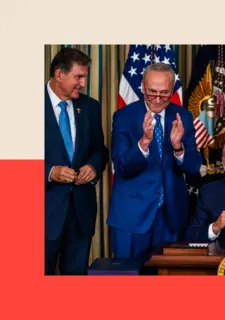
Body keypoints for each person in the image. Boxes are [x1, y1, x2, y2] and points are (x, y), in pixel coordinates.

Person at [107, 63, 202, 259]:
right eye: (151, 92)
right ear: (142, 86)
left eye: (164, 93)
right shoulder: (123, 116)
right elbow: (122, 166)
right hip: (132, 216)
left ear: (173, 89)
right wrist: (144, 143)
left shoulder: (183, 116)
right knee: (129, 279)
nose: (157, 99)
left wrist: (178, 147)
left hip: (171, 216)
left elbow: (193, 167)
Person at [45, 47, 109, 275]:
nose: (82, 83)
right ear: (59, 74)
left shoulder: (89, 106)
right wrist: (49, 172)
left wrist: (93, 166)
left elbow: (99, 150)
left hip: (80, 214)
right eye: (78, 77)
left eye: (84, 76)